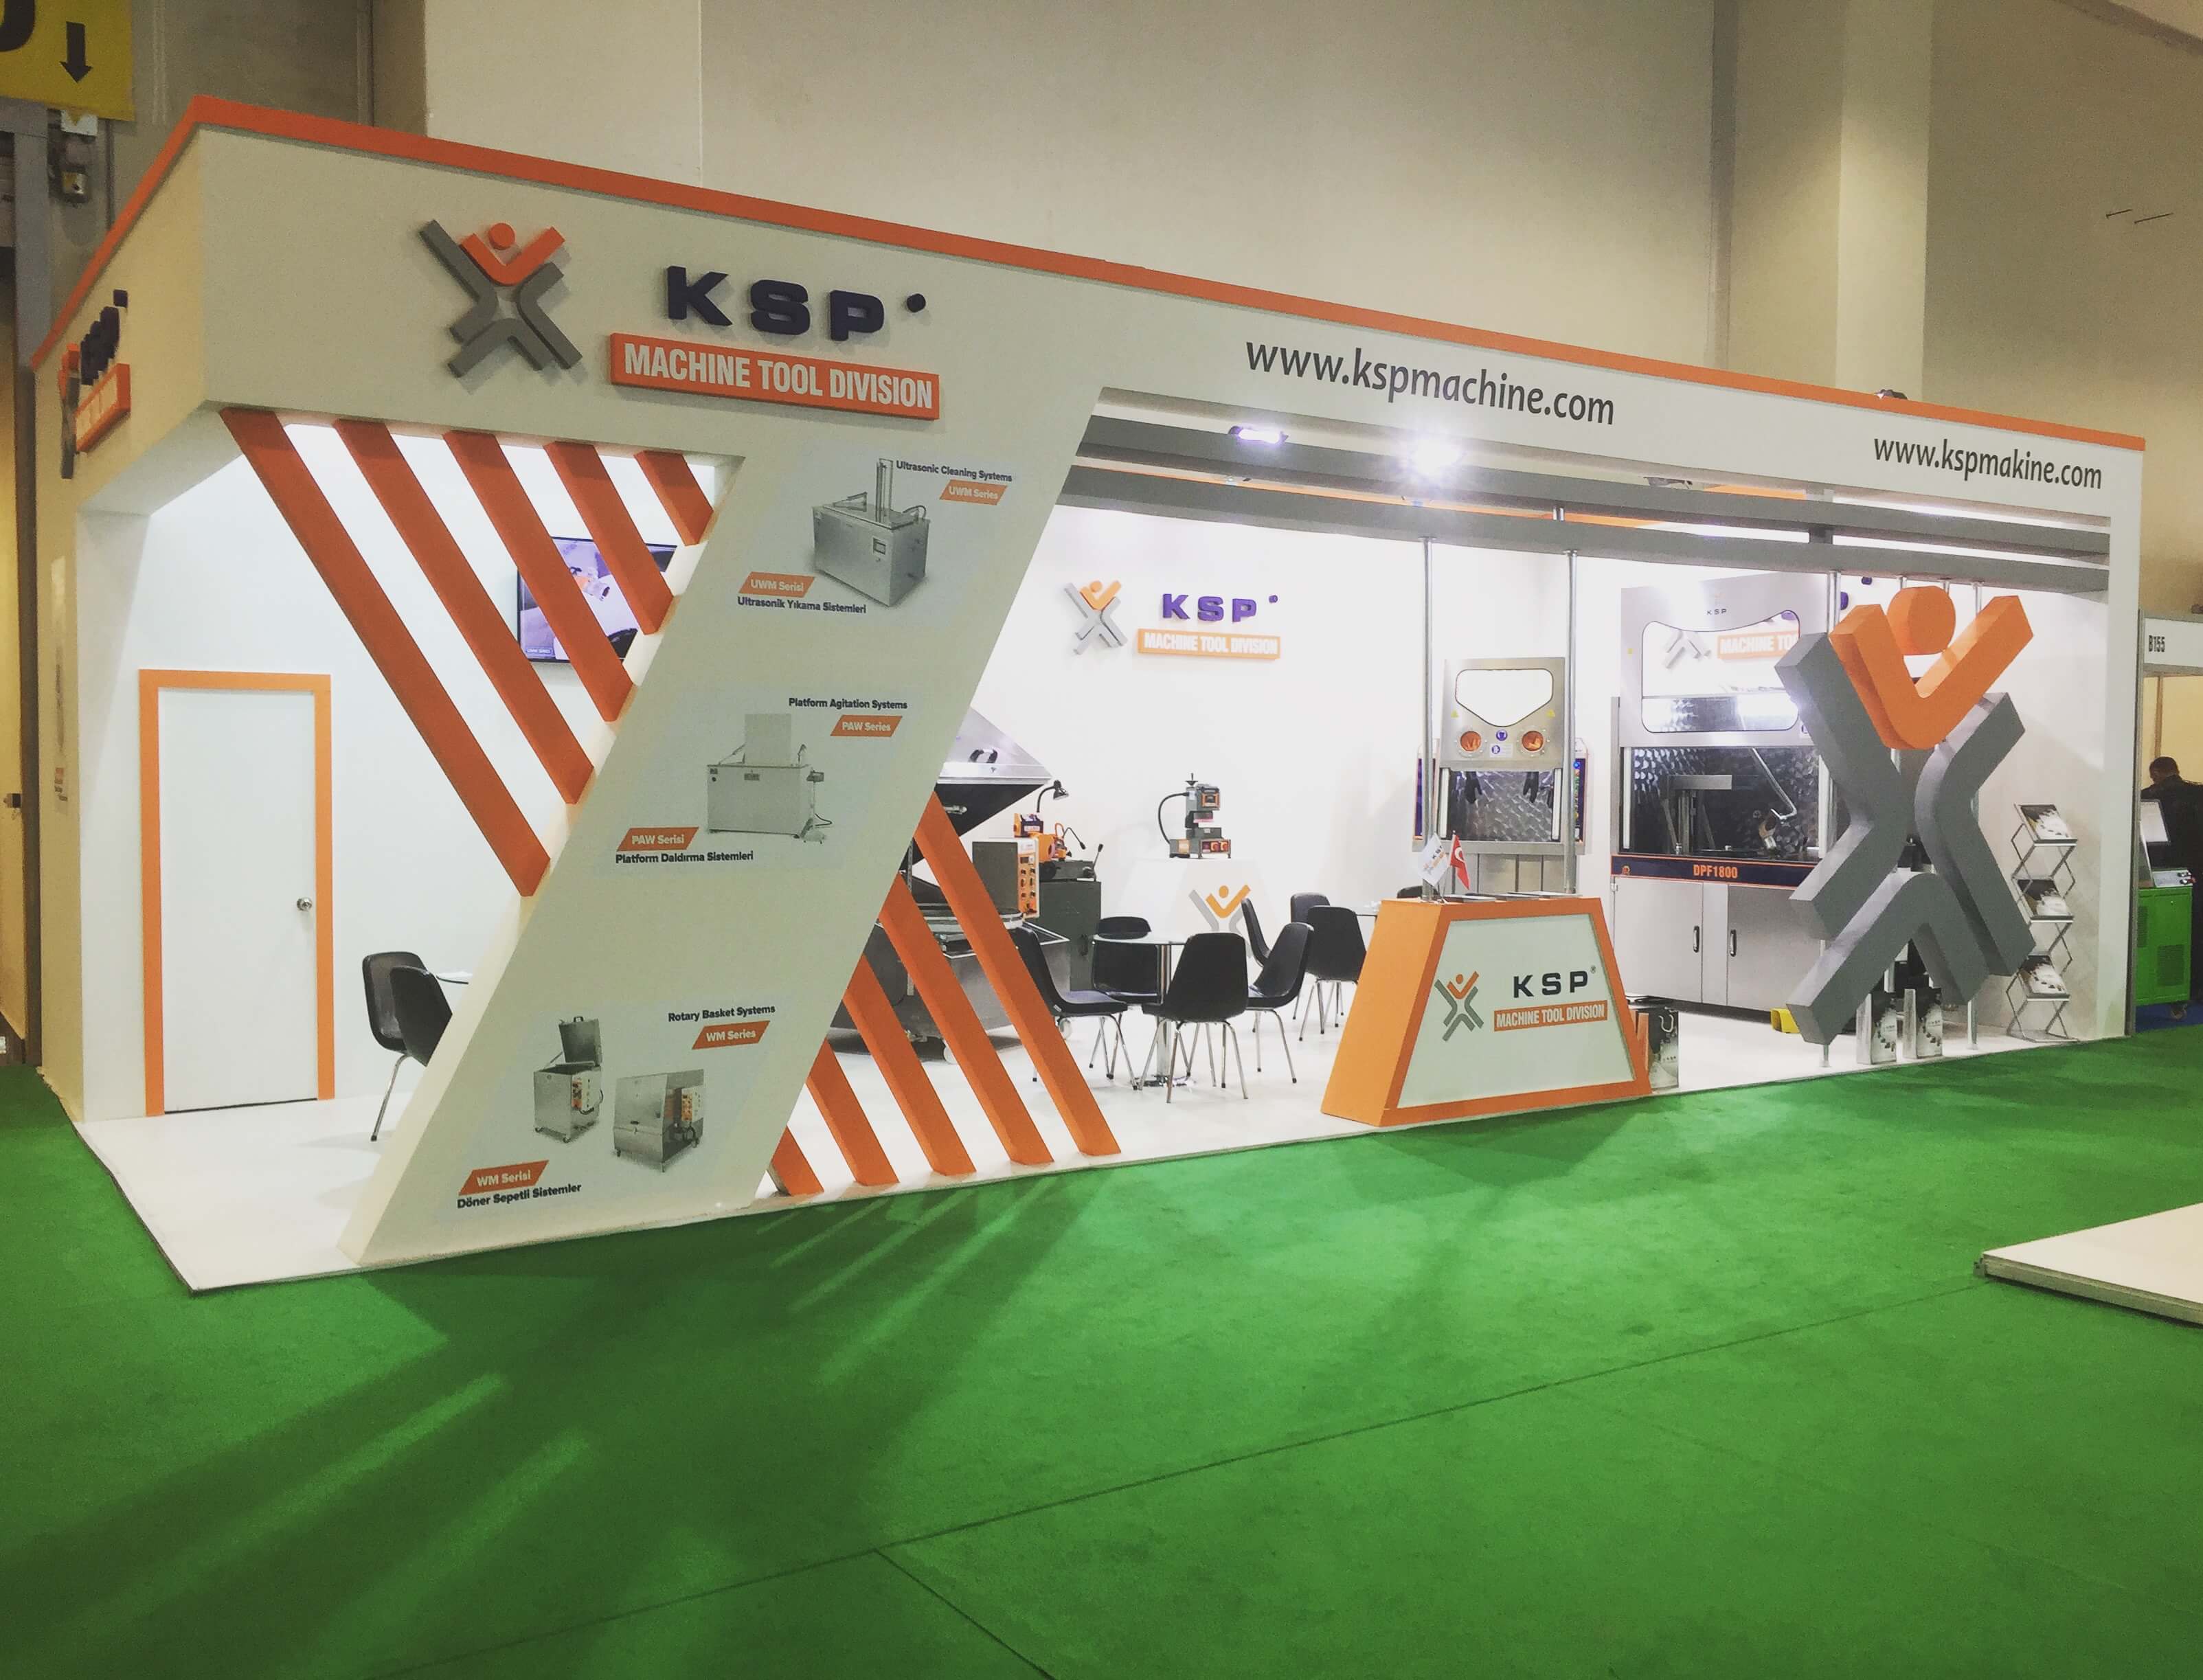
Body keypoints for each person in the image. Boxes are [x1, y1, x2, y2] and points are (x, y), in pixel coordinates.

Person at [2142, 758, 2203, 1000]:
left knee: (2167, 933)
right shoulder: (2198, 792)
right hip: (2198, 872)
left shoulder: (2148, 797)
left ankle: (2173, 989)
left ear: (2156, 773)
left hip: (2164, 876)